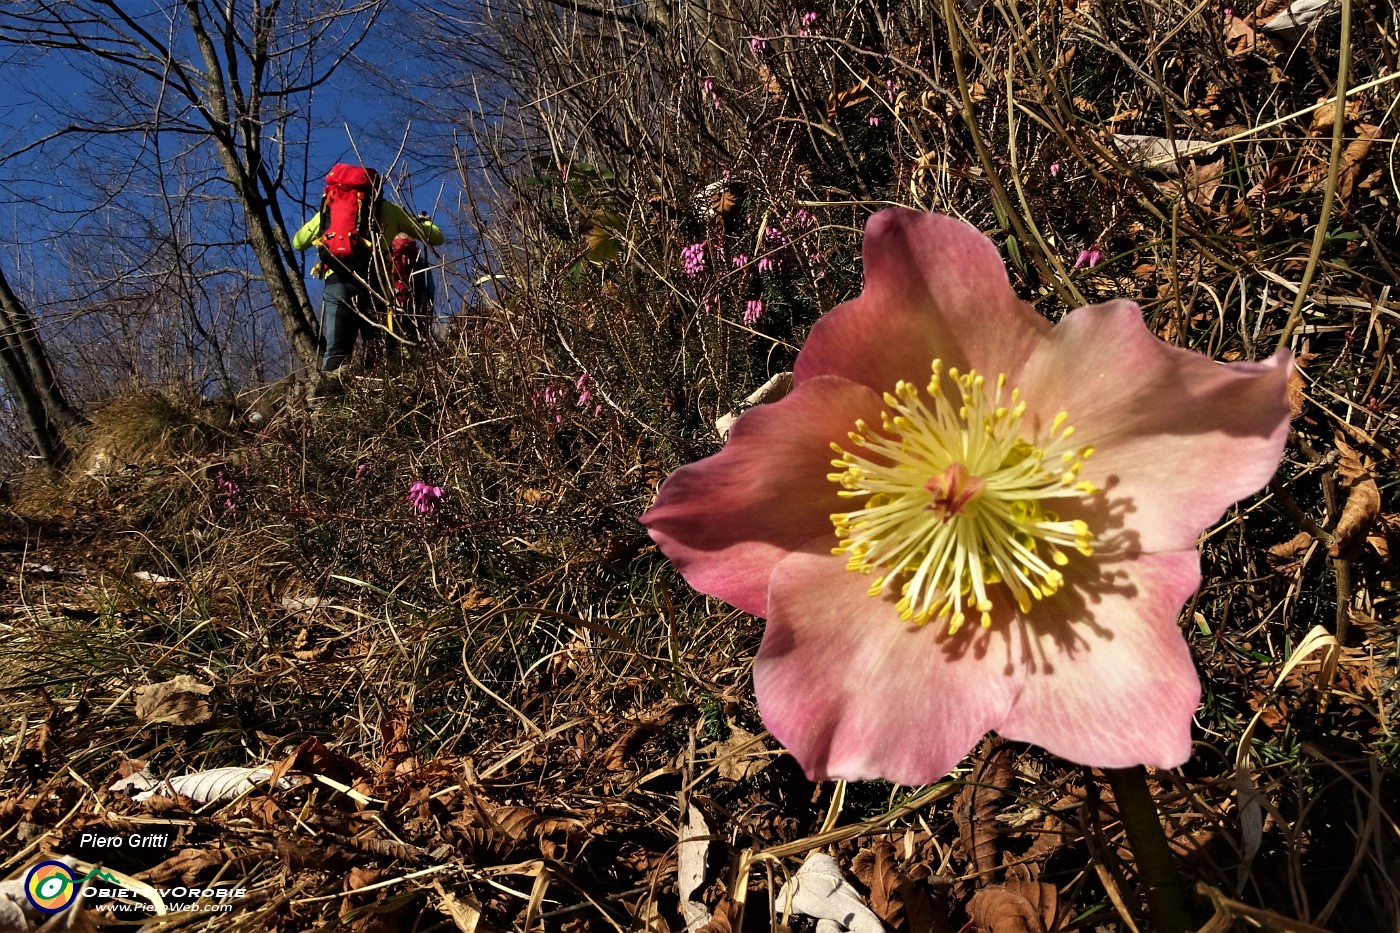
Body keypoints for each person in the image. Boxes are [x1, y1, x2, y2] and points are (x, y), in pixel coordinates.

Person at [292, 170, 444, 373]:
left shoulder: (329, 210)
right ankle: (378, 394)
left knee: (337, 351)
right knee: (379, 351)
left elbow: (298, 242)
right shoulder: (390, 210)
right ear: (377, 189)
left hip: (338, 282)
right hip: (375, 286)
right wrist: (424, 222)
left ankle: (327, 400)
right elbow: (435, 237)